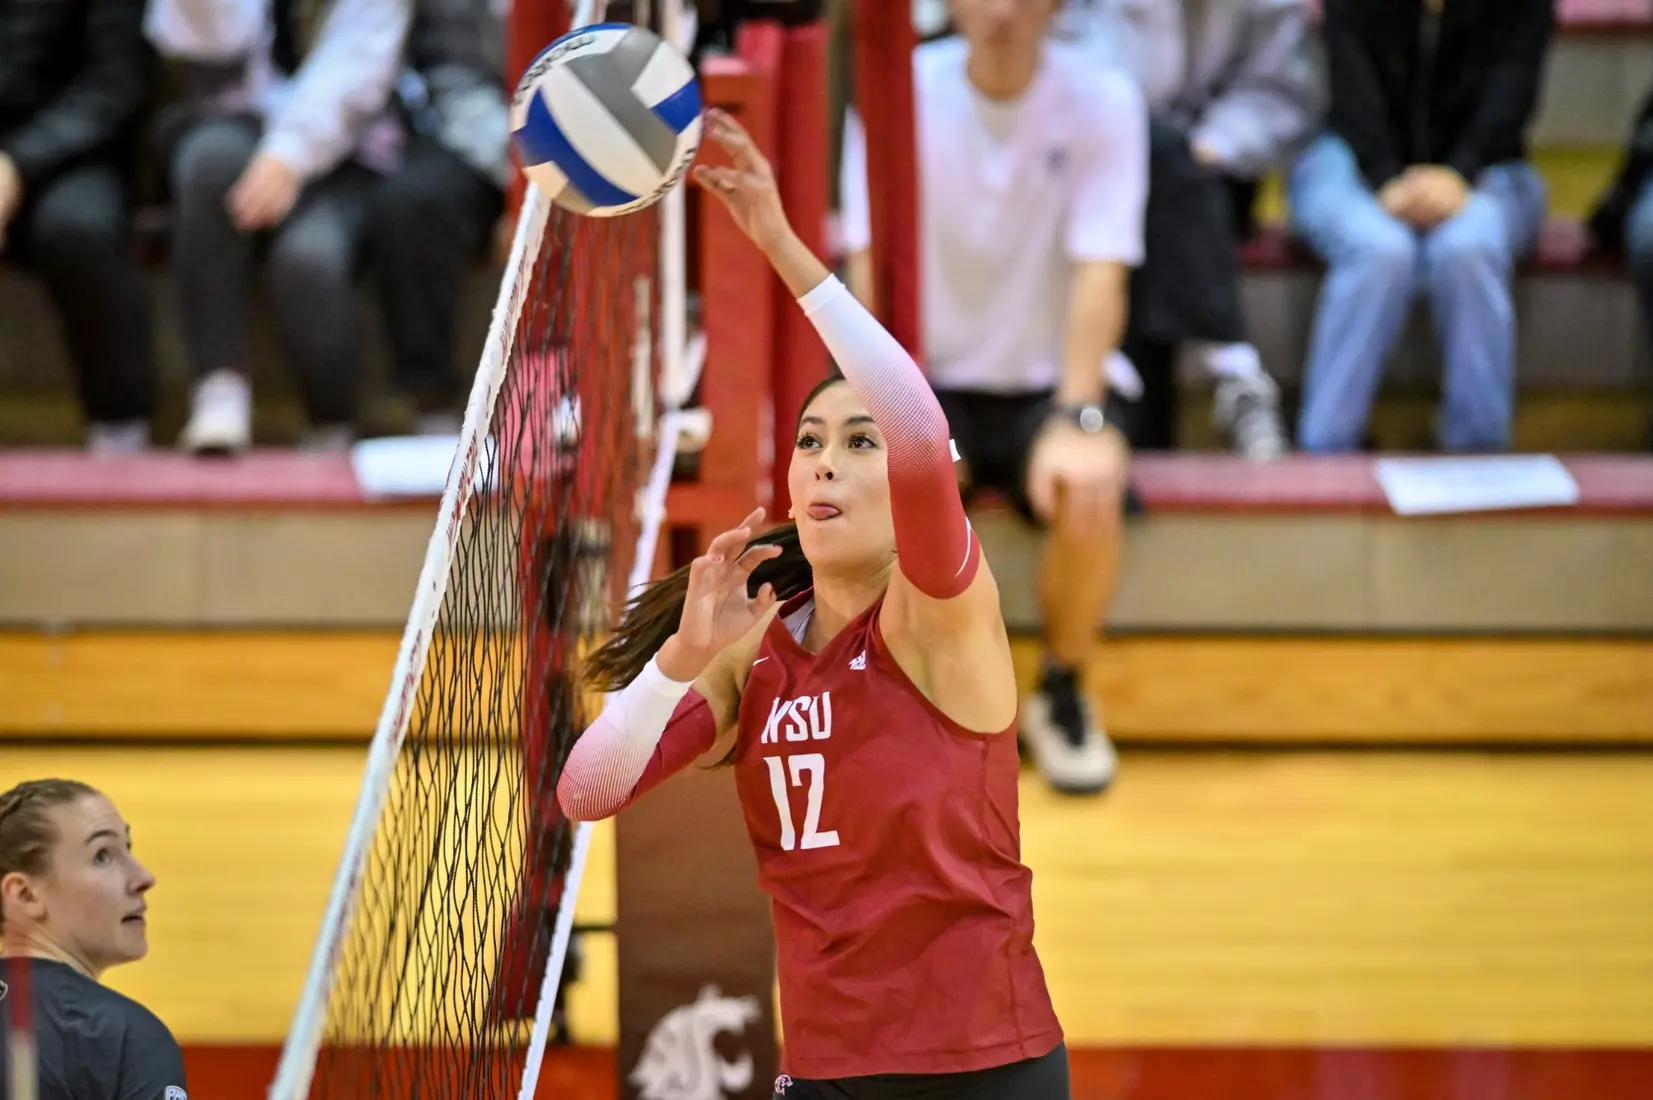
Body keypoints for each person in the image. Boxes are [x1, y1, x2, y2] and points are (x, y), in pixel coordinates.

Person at [559, 109, 1070, 1100]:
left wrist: (782, 247)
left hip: (985, 1066)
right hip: (828, 1069)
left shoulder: (936, 615)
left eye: (858, 442)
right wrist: (676, 663)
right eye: (810, 442)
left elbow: (914, 419)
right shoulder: (750, 650)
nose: (826, 460)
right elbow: (588, 791)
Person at [839, 0, 1148, 795]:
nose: (1002, 9)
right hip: (927, 384)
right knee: (882, 487)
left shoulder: (1104, 99)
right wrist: (891, 406)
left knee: (1088, 484)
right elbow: (868, 267)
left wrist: (1076, 415)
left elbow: (1102, 269)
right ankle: (913, 702)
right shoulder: (896, 93)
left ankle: (1062, 691)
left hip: (1052, 382)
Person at [147, 0, 411, 452]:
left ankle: (332, 426)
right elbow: (200, 41)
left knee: (307, 259)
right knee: (208, 164)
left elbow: (359, 67)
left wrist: (290, 153)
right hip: (247, 123)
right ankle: (219, 388)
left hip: (354, 147)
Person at [1289, 0, 1552, 452]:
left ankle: (1478, 453)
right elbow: (1353, 92)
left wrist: (1459, 173)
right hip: (1357, 158)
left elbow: (1512, 96)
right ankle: (1326, 449)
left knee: (1469, 246)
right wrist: (1385, 178)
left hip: (1488, 166)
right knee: (1379, 249)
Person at [1061, 0, 1313, 457]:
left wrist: (1217, 143)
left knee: (1161, 187)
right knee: (1150, 179)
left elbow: (1280, 96)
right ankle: (1234, 365)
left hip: (1222, 175)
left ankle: (1131, 429)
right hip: (1107, 162)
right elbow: (1079, 75)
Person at [0, 0, 159, 453]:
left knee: (79, 230)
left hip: (74, 153)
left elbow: (117, 78)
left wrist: (16, 163)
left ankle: (120, 431)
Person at [369, 0, 509, 435]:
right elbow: (451, 81)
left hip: (588, 133)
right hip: (477, 139)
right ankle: (430, 401)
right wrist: (518, 178)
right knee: (411, 203)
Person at [0, 779, 186, 1100]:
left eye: (128, 848)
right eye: (102, 856)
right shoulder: (123, 1036)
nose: (143, 878)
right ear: (25, 895)